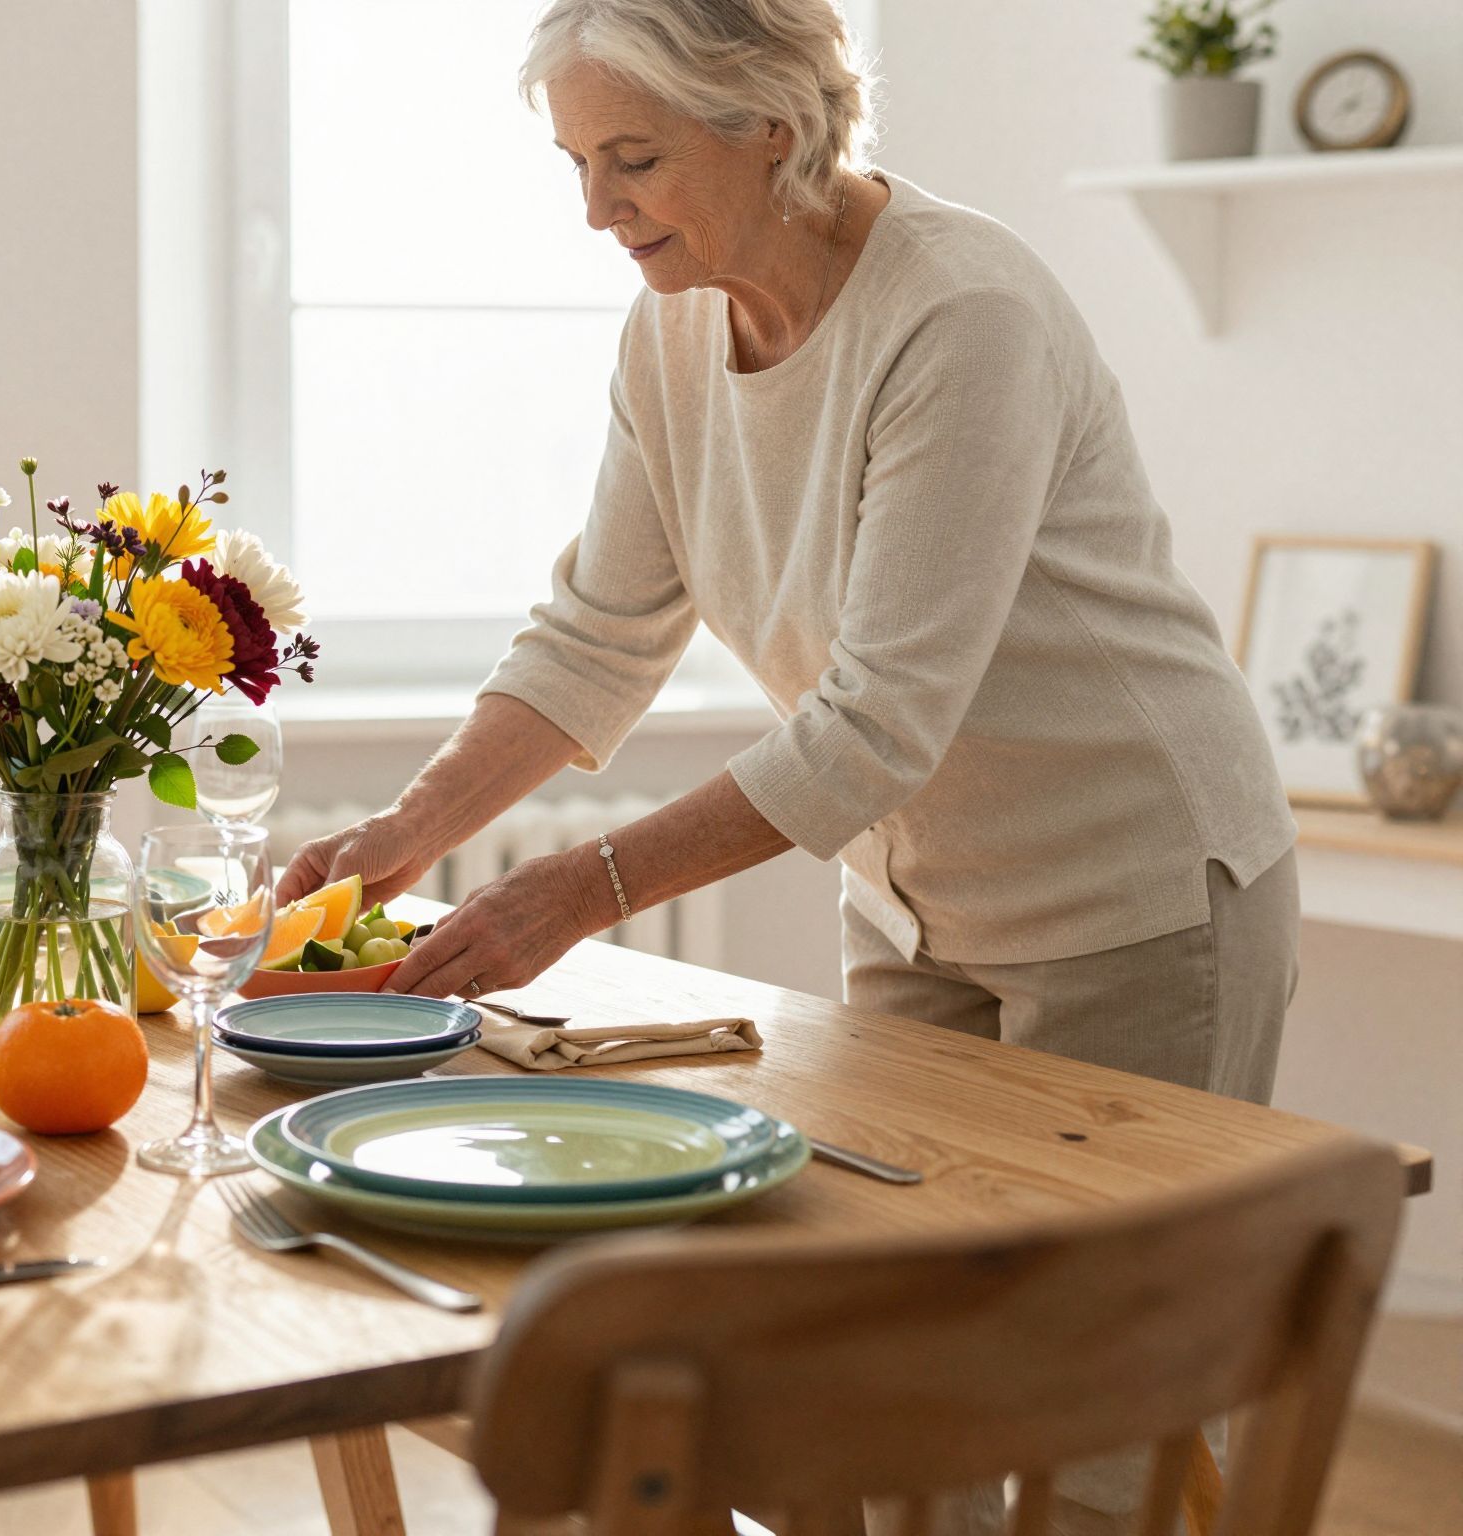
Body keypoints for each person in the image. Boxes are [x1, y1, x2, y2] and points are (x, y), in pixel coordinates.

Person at [278, 8, 1298, 1521]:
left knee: (1088, 1415)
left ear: (773, 122)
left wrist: (574, 889)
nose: (595, 208)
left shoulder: (963, 313)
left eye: (634, 157)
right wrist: (406, 833)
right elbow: (596, 636)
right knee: (885, 1376)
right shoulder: (670, 327)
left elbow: (880, 719)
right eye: (574, 160)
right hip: (913, 902)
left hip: (1138, 884)